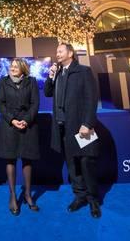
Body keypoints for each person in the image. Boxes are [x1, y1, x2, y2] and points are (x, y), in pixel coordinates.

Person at [44, 42, 101, 218]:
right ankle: (80, 196)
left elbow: (91, 99)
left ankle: (93, 200)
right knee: (71, 163)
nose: (57, 54)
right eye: (56, 51)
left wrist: (87, 123)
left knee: (87, 162)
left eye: (60, 51)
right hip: (63, 126)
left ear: (70, 53)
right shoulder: (58, 72)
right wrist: (51, 77)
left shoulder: (84, 71)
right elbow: (47, 92)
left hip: (83, 126)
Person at [0, 58, 40, 215]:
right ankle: (13, 196)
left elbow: (35, 104)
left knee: (27, 159)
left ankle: (28, 194)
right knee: (11, 159)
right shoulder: (3, 82)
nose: (12, 68)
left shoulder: (31, 82)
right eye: (11, 66)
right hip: (9, 125)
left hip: (28, 125)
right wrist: (13, 120)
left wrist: (26, 120)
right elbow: (0, 104)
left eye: (16, 66)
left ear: (23, 69)